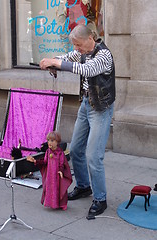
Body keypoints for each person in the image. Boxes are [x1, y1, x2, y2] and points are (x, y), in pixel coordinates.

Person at [40, 24, 115, 219]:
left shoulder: (103, 55)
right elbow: (67, 58)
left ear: (90, 38)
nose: (77, 49)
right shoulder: (81, 51)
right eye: (75, 45)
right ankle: (83, 186)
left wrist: (56, 64)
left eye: (79, 45)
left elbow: (86, 70)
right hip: (86, 105)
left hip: (100, 109)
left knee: (93, 156)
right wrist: (52, 61)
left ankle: (100, 199)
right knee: (75, 150)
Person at [27, 131, 72, 210]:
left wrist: (61, 171)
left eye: (52, 141)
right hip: (50, 174)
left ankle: (60, 204)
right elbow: (45, 162)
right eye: (48, 140)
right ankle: (51, 203)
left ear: (57, 142)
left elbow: (62, 163)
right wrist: (35, 161)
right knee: (50, 188)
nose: (49, 143)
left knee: (58, 188)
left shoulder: (60, 153)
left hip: (56, 175)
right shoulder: (48, 151)